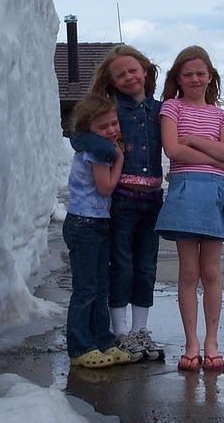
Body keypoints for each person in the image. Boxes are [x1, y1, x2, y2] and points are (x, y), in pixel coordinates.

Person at [154, 45, 224, 372]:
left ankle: (212, 342)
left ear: (210, 78)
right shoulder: (171, 107)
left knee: (211, 272)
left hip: (214, 193)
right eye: (188, 73)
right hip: (185, 191)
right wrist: (214, 156)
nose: (194, 78)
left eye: (200, 73)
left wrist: (193, 142)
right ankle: (192, 341)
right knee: (189, 271)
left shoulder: (222, 116)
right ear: (178, 77)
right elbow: (172, 149)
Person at [71, 45, 165, 362]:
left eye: (133, 70)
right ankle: (120, 333)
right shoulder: (113, 112)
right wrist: (108, 150)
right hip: (122, 200)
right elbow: (81, 137)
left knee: (146, 267)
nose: (128, 77)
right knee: (122, 265)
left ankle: (140, 330)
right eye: (120, 74)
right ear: (111, 83)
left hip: (152, 200)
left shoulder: (161, 111)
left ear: (145, 70)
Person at [63, 94, 133, 369]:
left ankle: (102, 340)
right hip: (84, 225)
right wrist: (120, 160)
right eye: (103, 127)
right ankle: (80, 347)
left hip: (96, 224)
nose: (112, 130)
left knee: (100, 287)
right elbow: (106, 187)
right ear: (88, 128)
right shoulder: (100, 152)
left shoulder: (99, 146)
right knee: (86, 289)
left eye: (114, 123)